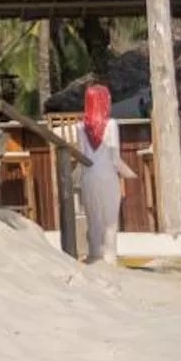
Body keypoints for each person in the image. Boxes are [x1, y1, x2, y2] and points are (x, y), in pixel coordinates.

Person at [80, 82, 129, 264]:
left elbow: (83, 156)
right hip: (107, 174)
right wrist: (127, 173)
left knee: (93, 218)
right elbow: (115, 158)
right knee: (110, 220)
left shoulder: (81, 127)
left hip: (88, 175)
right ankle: (110, 257)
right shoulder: (111, 125)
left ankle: (94, 254)